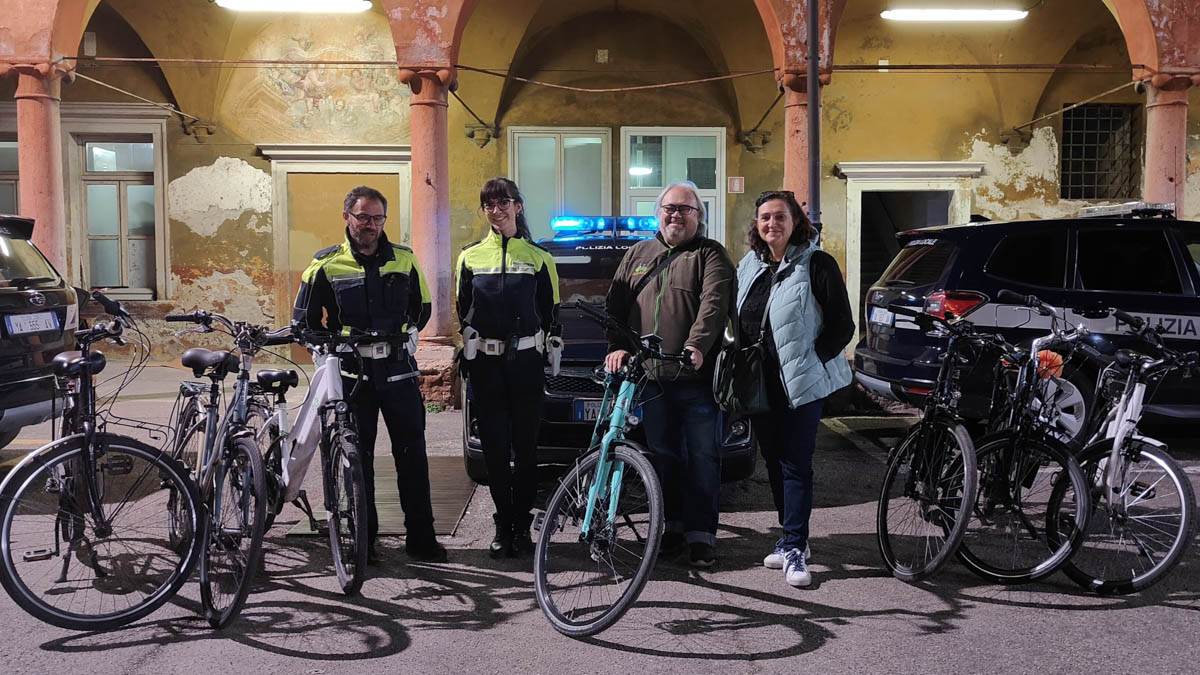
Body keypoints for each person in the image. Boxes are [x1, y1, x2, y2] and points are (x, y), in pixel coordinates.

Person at [293, 185, 447, 564]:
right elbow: (304, 322)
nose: (371, 225)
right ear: (347, 217)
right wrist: (327, 349)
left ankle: (422, 540)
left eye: (378, 218)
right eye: (363, 217)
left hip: (397, 373)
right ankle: (365, 541)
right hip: (352, 376)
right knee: (357, 460)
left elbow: (423, 307)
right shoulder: (325, 265)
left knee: (412, 456)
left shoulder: (404, 260)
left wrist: (405, 331)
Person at [604, 180, 735, 568]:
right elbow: (616, 304)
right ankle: (671, 528)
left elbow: (713, 304)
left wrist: (697, 345)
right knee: (664, 457)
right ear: (658, 214)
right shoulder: (638, 253)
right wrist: (617, 345)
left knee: (702, 457)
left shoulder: (710, 255)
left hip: (696, 380)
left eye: (685, 209)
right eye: (669, 208)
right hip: (651, 380)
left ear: (699, 217)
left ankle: (701, 536)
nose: (676, 215)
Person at [735, 190, 854, 588]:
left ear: (795, 222)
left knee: (796, 463)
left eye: (779, 217)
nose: (771, 223)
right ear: (757, 224)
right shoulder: (749, 265)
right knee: (772, 460)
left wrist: (812, 363)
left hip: (801, 382)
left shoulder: (817, 263)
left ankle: (795, 546)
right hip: (760, 382)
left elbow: (842, 324)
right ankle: (790, 535)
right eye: (765, 217)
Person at [456, 177, 561, 558]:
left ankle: (521, 524)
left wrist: (553, 346)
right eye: (489, 204)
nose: (496, 210)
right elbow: (462, 309)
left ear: (518, 206)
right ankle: (503, 522)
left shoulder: (539, 258)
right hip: (486, 365)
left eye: (504, 203)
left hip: (526, 365)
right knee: (495, 450)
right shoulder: (469, 257)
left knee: (527, 450)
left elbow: (552, 312)